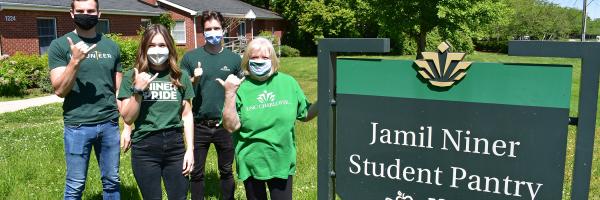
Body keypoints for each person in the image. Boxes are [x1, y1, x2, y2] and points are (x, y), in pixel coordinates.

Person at [218, 37, 318, 200]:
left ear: (273, 59)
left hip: (281, 159)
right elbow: (230, 126)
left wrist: (326, 98)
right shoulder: (241, 87)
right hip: (252, 161)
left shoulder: (288, 83)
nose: (259, 61)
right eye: (254, 57)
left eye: (265, 57)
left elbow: (305, 113)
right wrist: (229, 94)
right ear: (247, 60)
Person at [48, 0, 122, 199]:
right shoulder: (59, 45)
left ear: (99, 13)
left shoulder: (112, 46)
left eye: (90, 11)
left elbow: (119, 91)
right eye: (80, 11)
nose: (85, 14)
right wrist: (74, 61)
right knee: (75, 184)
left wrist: (128, 127)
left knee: (112, 181)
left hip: (109, 124)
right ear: (71, 13)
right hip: (77, 126)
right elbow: (60, 90)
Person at [118, 24, 195, 200]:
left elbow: (187, 115)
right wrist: (138, 90)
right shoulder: (132, 76)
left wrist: (190, 149)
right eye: (152, 45)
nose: (157, 50)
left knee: (180, 197)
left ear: (170, 47)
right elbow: (128, 117)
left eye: (162, 45)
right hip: (145, 146)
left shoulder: (180, 76)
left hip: (175, 146)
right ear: (144, 48)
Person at [180, 10, 240, 200]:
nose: (213, 32)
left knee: (226, 170)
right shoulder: (190, 58)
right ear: (202, 32)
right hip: (199, 124)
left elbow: (241, 90)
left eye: (216, 28)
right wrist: (194, 79)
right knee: (196, 172)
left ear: (223, 30)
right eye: (208, 29)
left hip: (225, 124)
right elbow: (181, 88)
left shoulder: (234, 59)